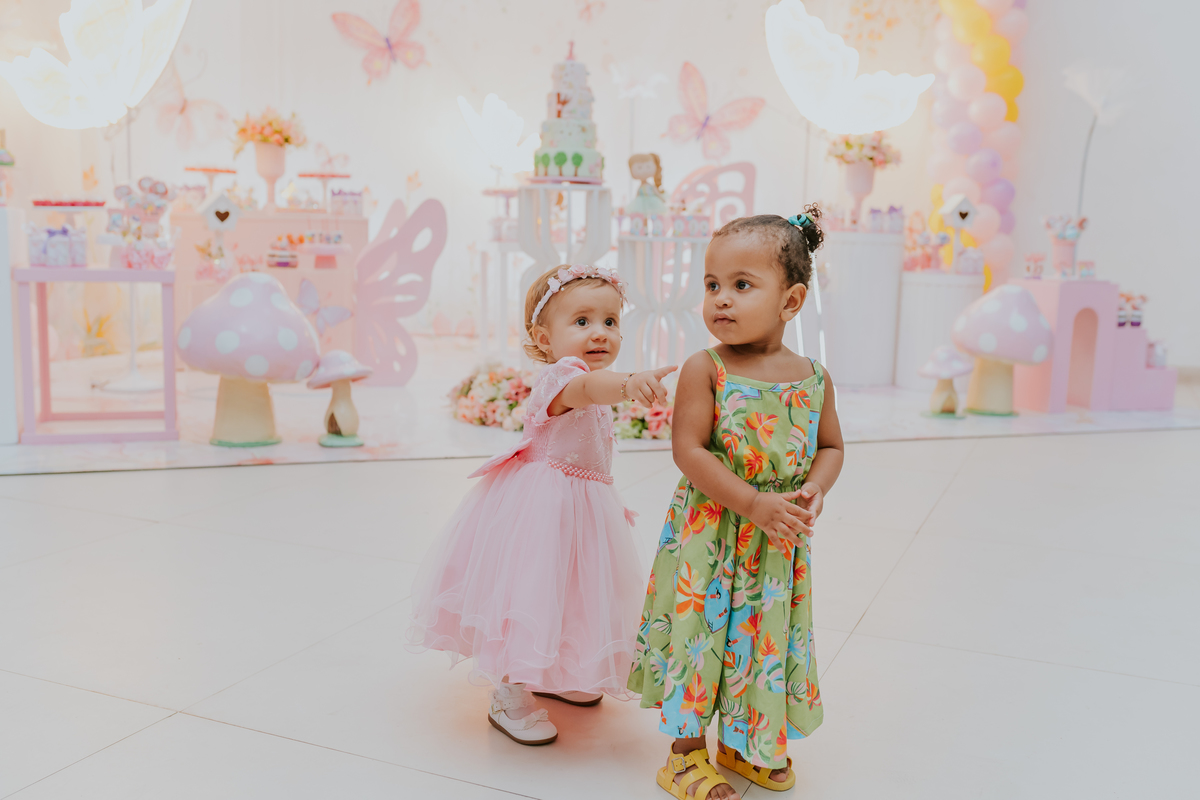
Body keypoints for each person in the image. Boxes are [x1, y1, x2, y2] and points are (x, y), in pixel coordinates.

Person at [408, 263, 675, 746]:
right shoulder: (562, 378)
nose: (601, 333)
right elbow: (590, 389)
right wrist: (630, 380)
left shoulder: (590, 377)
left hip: (583, 508)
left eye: (611, 321)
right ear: (543, 336)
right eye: (582, 321)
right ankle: (510, 693)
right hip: (542, 509)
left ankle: (559, 673)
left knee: (572, 592)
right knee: (528, 594)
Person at [628, 208, 845, 799]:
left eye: (742, 286)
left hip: (776, 542)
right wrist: (751, 502)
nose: (720, 300)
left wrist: (813, 489)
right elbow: (688, 450)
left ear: (791, 300)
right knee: (701, 636)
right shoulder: (708, 368)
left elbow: (831, 446)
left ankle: (745, 743)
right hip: (712, 535)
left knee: (760, 636)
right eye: (712, 285)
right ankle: (683, 755)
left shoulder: (813, 376)